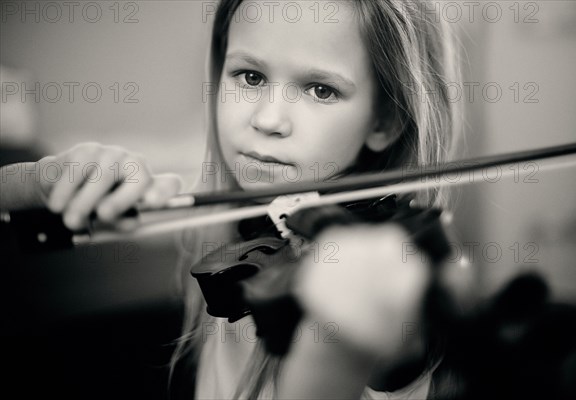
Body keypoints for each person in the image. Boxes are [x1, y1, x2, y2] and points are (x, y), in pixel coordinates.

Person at [0, 1, 461, 398]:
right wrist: (39, 180)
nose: (268, 119)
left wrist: (338, 351)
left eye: (320, 89)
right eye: (251, 76)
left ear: (384, 122)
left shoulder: (397, 276)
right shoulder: (236, 217)